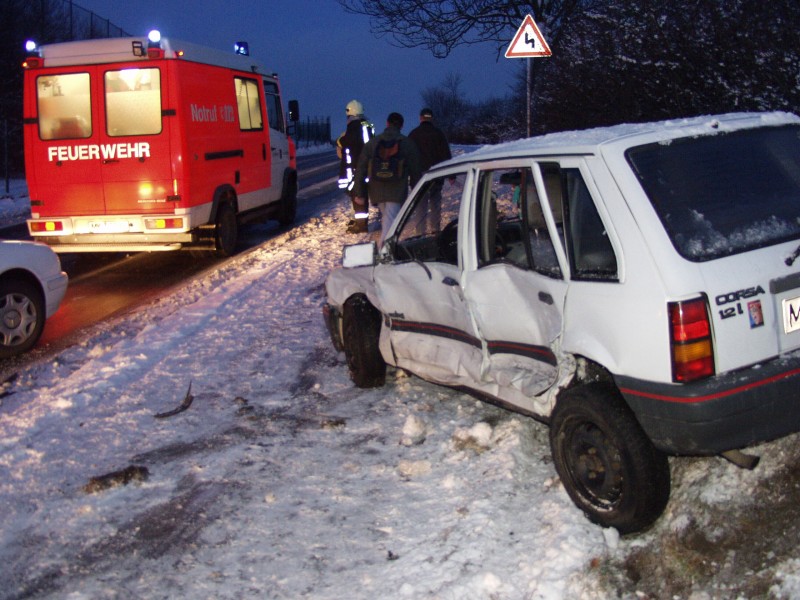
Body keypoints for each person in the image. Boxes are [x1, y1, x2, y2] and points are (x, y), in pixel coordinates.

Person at [353, 112, 422, 243]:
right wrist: (416, 189)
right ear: (401, 126)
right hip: (396, 190)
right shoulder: (407, 143)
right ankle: (385, 252)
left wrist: (359, 192)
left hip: (376, 190)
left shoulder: (373, 143)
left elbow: (361, 168)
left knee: (387, 219)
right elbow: (415, 169)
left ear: (387, 123)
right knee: (390, 222)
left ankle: (387, 250)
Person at [408, 107, 452, 232]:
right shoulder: (438, 134)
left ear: (420, 118)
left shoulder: (413, 134)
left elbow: (408, 156)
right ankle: (435, 231)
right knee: (435, 203)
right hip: (436, 175)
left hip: (419, 177)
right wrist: (451, 175)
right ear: (431, 118)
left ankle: (420, 233)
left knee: (421, 206)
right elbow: (446, 155)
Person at [336, 100, 374, 233]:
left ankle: (361, 225)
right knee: (359, 193)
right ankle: (359, 222)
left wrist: (340, 140)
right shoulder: (367, 126)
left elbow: (347, 142)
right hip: (363, 167)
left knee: (358, 195)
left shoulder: (354, 128)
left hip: (356, 168)